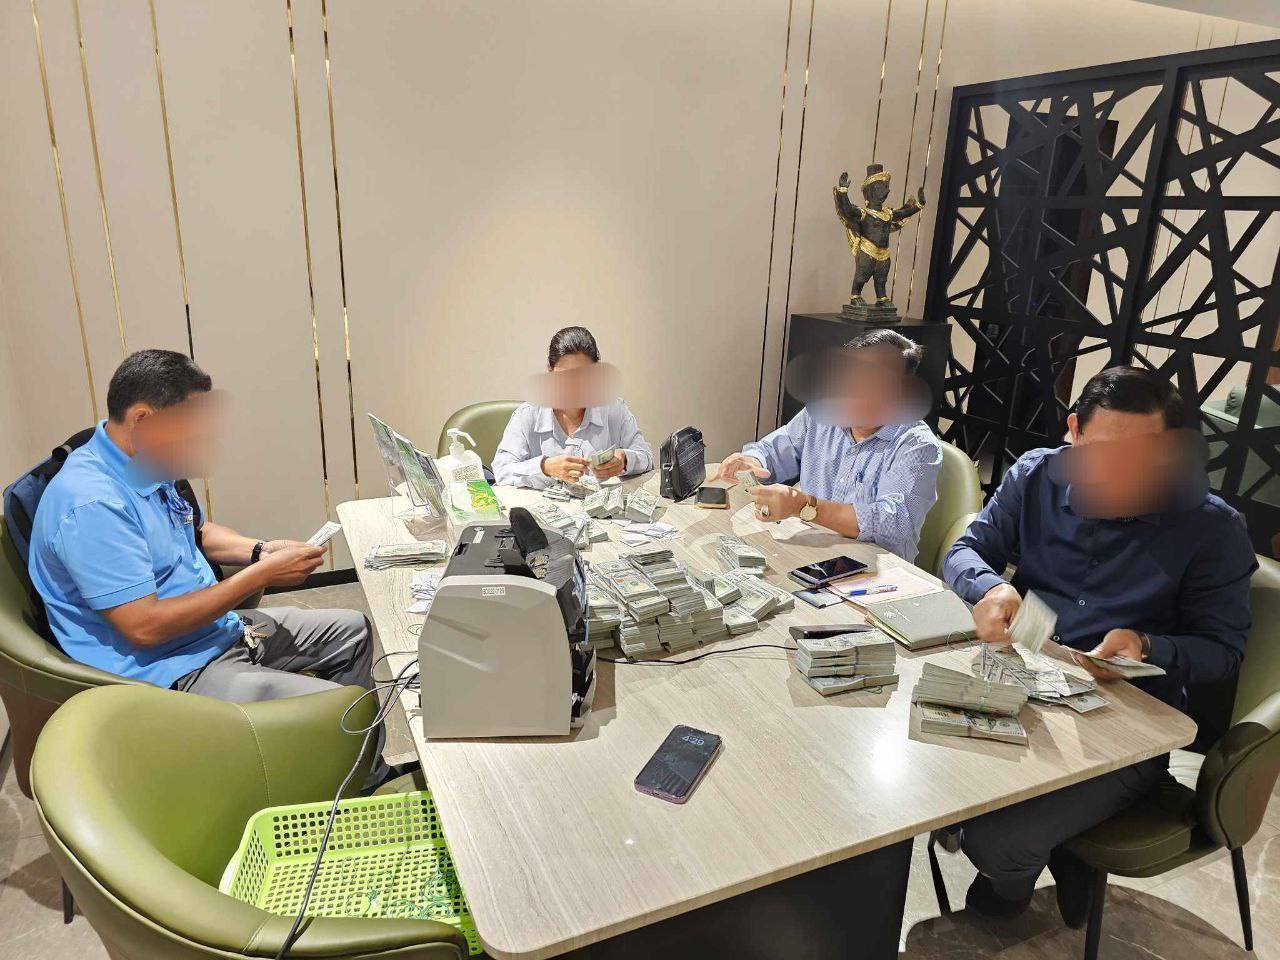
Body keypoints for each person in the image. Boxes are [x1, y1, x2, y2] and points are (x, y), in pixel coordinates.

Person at [940, 365, 1257, 927]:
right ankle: (1060, 844)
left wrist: (1148, 646)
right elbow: (967, 550)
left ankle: (1020, 878)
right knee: (928, 783)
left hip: (1122, 726)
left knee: (995, 841)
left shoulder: (1212, 528)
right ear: (1075, 432)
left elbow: (1223, 652)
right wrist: (990, 588)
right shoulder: (1036, 477)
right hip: (1022, 681)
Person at [28, 349, 398, 788]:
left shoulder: (142, 462)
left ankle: (360, 780)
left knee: (352, 632)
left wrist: (259, 551)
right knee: (341, 709)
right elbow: (144, 627)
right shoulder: (92, 503)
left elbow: (197, 530)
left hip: (211, 630)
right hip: (170, 669)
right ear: (143, 418)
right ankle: (326, 792)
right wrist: (261, 576)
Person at [713, 328, 943, 562]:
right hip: (810, 550)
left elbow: (895, 522)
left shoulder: (917, 445)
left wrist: (804, 506)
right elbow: (773, 450)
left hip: (875, 567)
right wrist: (751, 462)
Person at [492, 326, 654, 488]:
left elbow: (646, 456)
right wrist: (545, 467)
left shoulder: (614, 409)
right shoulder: (528, 415)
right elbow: (502, 470)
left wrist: (624, 460)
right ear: (550, 371)